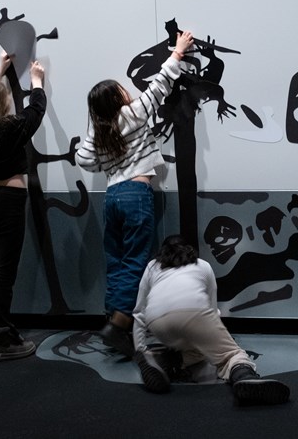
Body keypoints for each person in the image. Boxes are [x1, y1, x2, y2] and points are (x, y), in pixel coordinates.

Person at [76, 31, 193, 357]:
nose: (127, 91)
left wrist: (97, 129)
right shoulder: (132, 114)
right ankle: (119, 324)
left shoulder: (101, 131)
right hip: (136, 194)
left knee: (116, 261)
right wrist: (178, 53)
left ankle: (113, 319)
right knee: (136, 261)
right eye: (121, 89)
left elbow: (83, 159)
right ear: (117, 99)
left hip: (111, 197)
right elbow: (158, 88)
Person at [130, 235, 290, 405]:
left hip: (157, 320)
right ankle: (244, 375)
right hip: (194, 312)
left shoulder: (152, 266)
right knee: (230, 354)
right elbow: (212, 310)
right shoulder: (202, 265)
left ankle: (162, 361)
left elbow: (139, 312)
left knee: (198, 349)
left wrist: (140, 351)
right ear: (190, 250)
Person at [0, 52, 46, 362]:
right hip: (9, 204)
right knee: (5, 272)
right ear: (3, 103)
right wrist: (37, 80)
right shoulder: (9, 126)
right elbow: (36, 110)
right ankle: (1, 338)